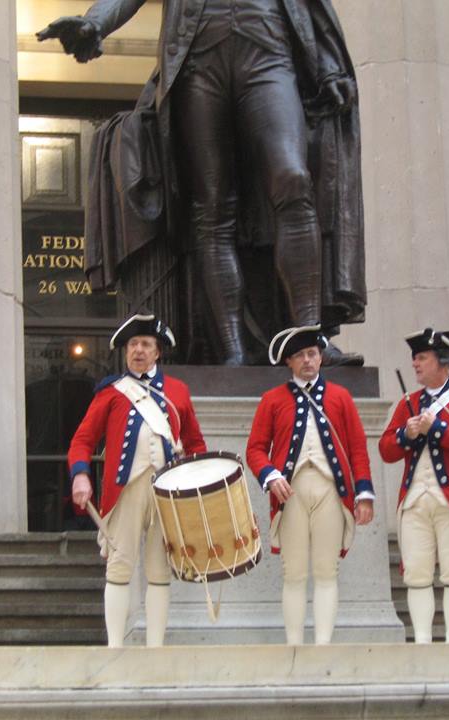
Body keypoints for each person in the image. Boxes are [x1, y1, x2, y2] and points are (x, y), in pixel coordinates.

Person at [37, 0, 365, 366]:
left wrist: (330, 67)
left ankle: (309, 340)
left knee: (293, 179)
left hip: (268, 51)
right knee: (212, 207)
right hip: (198, 59)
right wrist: (95, 22)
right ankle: (232, 352)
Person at [68, 313, 206, 647]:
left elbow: (196, 443)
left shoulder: (178, 391)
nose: (138, 350)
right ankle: (115, 648)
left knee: (159, 571)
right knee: (119, 567)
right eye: (133, 345)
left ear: (157, 352)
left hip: (167, 492)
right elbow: (82, 440)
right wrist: (80, 475)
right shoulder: (111, 392)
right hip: (125, 491)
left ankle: (155, 650)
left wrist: (197, 480)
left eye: (145, 344)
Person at [246, 325, 373, 644]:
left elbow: (358, 449)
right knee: (294, 573)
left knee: (327, 571)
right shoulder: (272, 400)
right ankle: (295, 645)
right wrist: (271, 475)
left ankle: (323, 646)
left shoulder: (341, 397)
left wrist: (364, 494)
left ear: (321, 358)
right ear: (288, 361)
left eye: (312, 354)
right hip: (291, 494)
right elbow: (255, 449)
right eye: (300, 355)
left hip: (331, 491)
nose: (307, 360)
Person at [379, 328, 449, 644]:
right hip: (415, 500)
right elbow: (387, 449)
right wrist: (406, 434)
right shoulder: (410, 403)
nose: (415, 364)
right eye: (414, 358)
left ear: (443, 361)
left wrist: (438, 429)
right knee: (416, 574)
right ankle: (422, 642)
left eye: (422, 357)